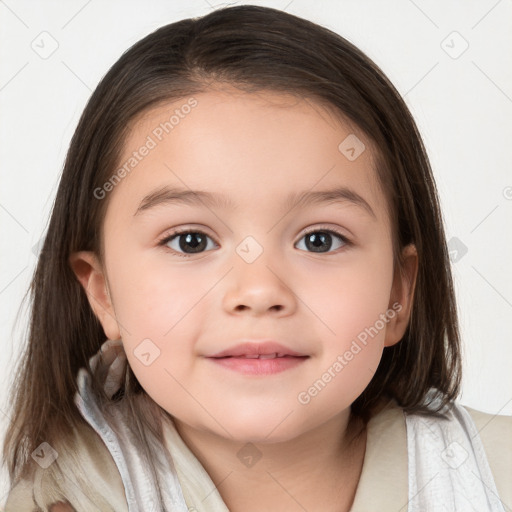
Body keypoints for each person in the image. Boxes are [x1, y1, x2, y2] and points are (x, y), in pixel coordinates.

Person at [3, 5, 511, 512]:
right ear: (103, 293)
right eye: (190, 241)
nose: (259, 291)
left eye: (320, 240)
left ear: (398, 294)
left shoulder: (493, 475)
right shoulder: (61, 501)